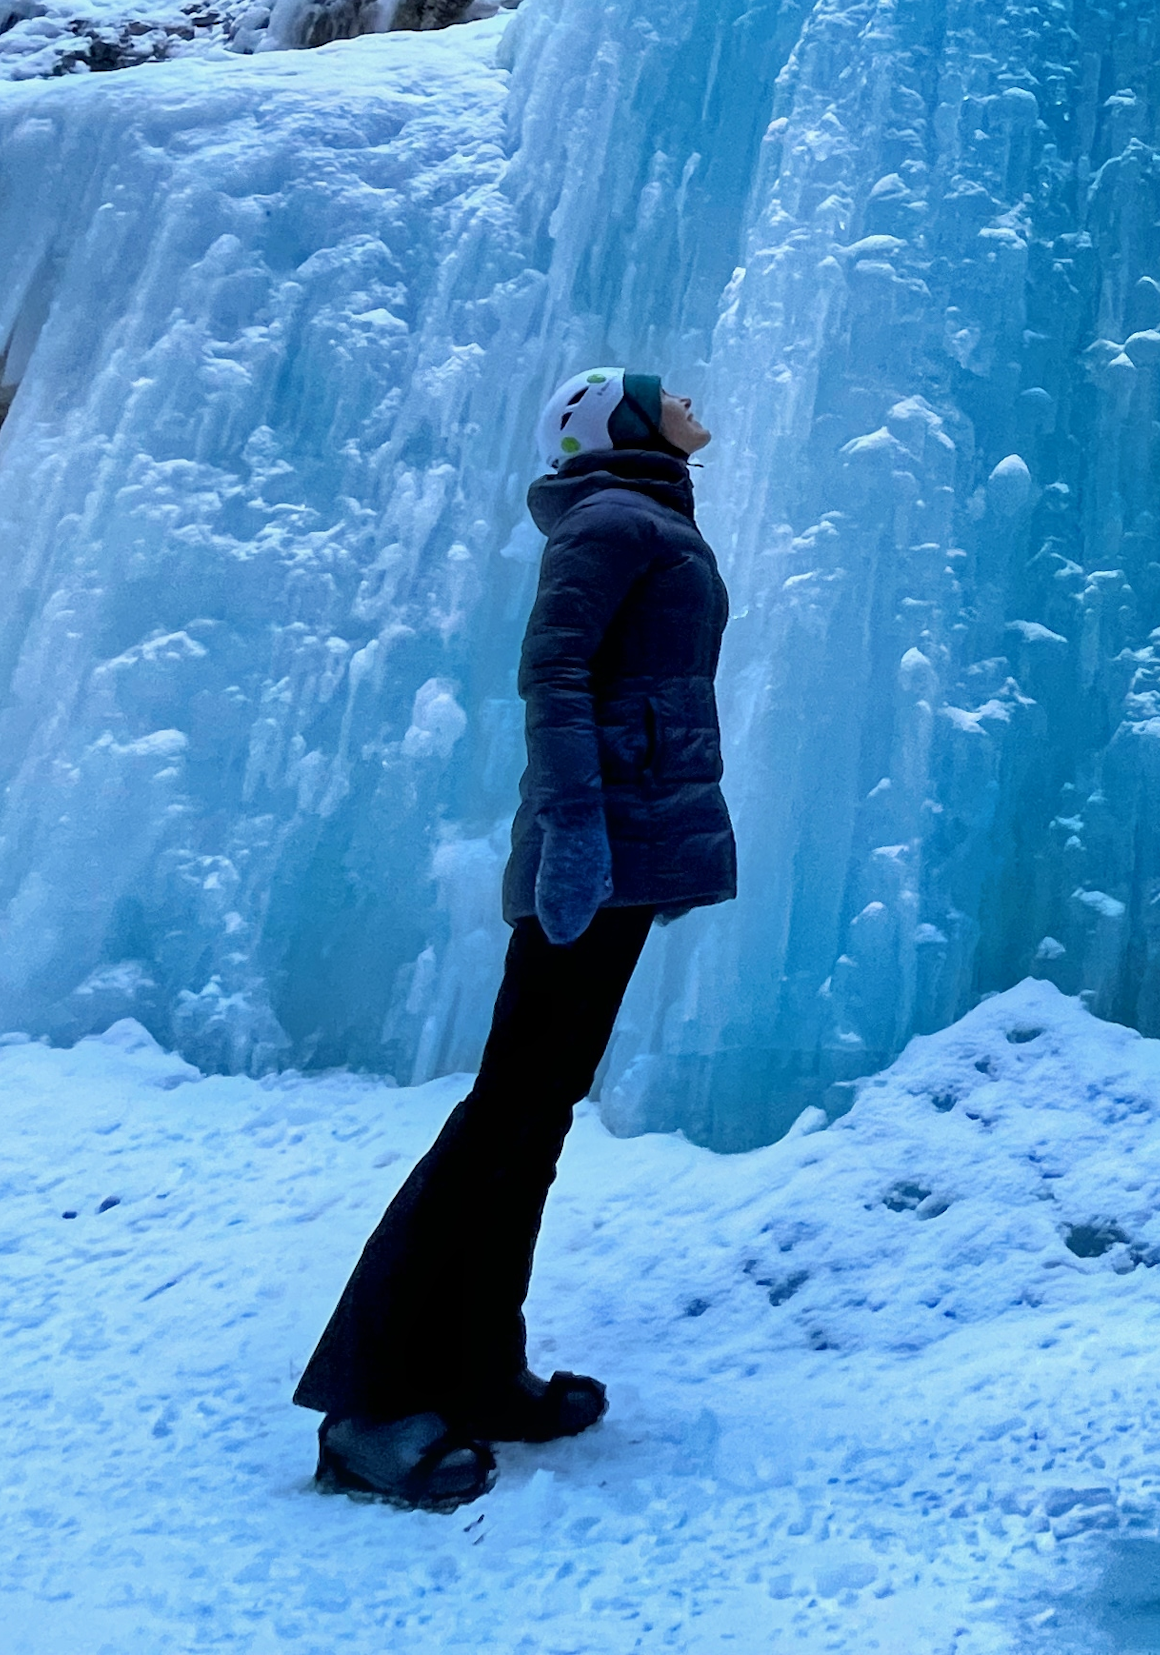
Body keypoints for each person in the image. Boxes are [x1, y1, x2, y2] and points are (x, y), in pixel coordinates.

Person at [295, 365, 735, 1508]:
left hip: (624, 847)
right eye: (664, 389)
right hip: (593, 853)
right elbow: (556, 674)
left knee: (535, 1114)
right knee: (504, 1112)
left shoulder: (643, 514)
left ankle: (479, 1370)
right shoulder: (610, 519)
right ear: (615, 422)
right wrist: (582, 837)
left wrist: (643, 844)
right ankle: (369, 1406)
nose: (689, 396)